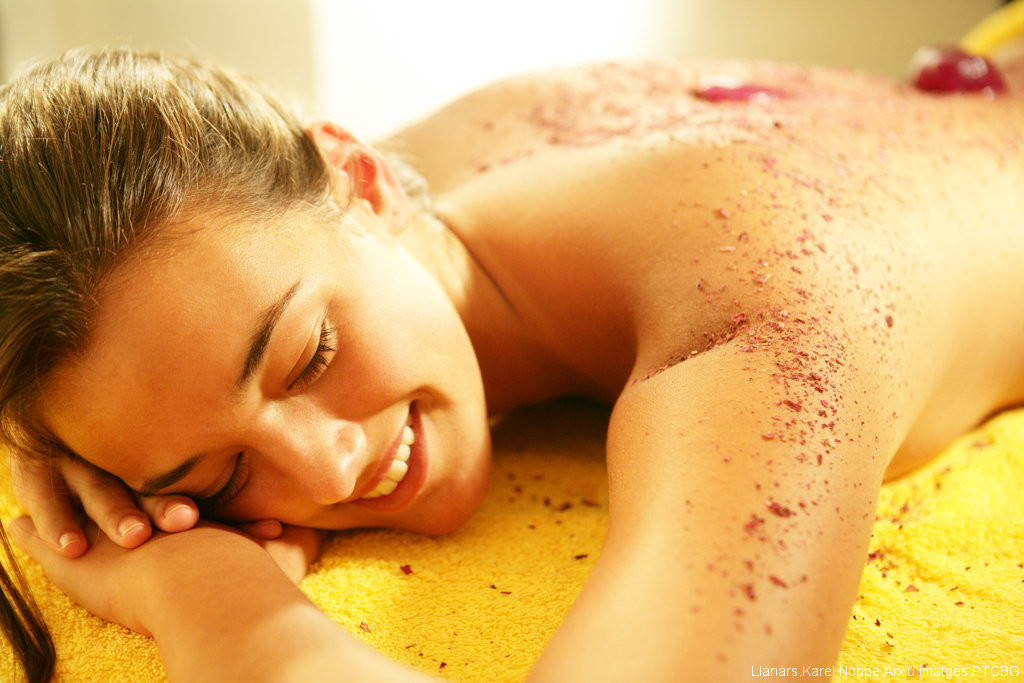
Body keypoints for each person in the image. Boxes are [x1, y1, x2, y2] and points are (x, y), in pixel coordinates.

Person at [0, 42, 1021, 682]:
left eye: (308, 356)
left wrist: (206, 591)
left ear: (362, 180)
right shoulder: (317, 202)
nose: (328, 469)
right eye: (221, 477)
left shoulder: (762, 302)